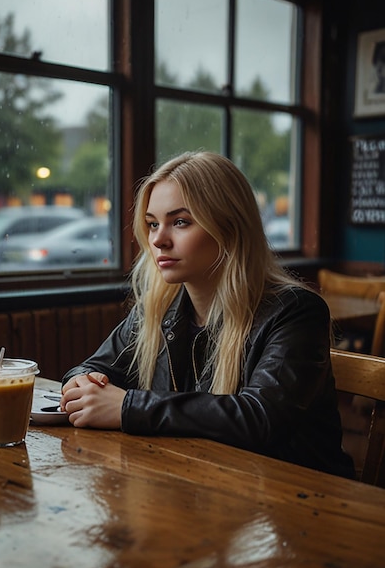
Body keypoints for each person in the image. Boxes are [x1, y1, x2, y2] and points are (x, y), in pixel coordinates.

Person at [61, 151, 355, 479]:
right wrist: (82, 384)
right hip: (200, 486)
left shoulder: (296, 312)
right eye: (153, 224)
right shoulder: (158, 308)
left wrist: (127, 408)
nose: (158, 239)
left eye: (181, 222)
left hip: (300, 503)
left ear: (229, 227)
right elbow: (94, 367)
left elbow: (261, 419)